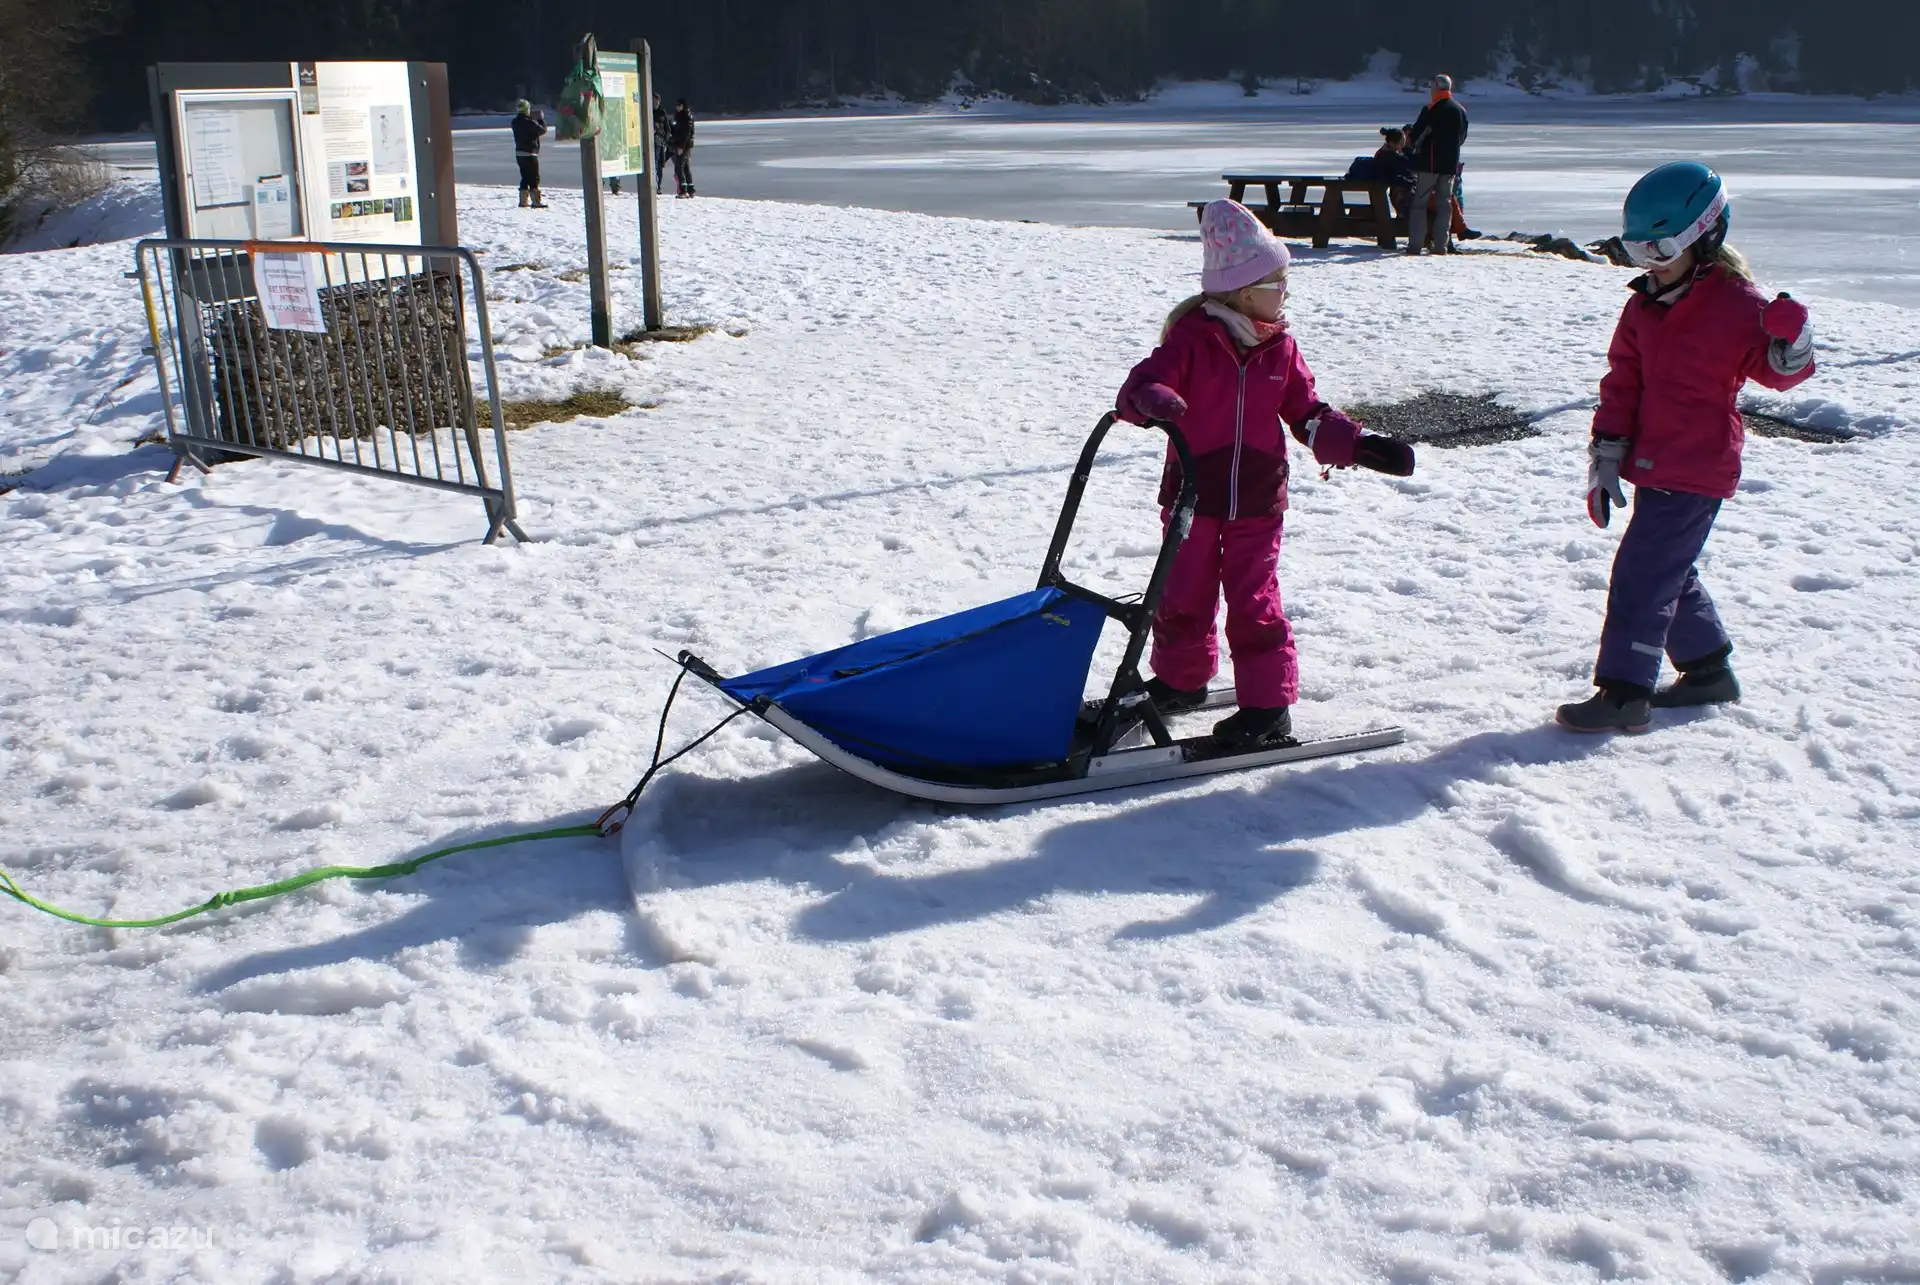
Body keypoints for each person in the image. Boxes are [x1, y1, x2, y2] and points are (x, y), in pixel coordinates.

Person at [1112, 200, 1416, 748]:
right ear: (1242, 289)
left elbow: (1306, 412)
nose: (1284, 297)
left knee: (1254, 600)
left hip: (1256, 500)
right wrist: (1150, 397)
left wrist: (1360, 445)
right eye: (1277, 286)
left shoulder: (1282, 346)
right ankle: (1183, 680)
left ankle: (1268, 708)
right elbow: (1139, 387)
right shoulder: (1191, 339)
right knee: (1183, 592)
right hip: (1192, 497)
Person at [1557, 162, 1816, 733]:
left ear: (1706, 235)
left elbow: (1777, 373)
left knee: (1643, 573)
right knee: (1668, 567)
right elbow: (1622, 384)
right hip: (1652, 460)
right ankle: (1707, 672)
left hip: (1699, 462)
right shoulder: (1642, 307)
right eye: (1637, 251)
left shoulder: (1737, 305)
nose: (1651, 264)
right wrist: (1604, 460)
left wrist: (1794, 339)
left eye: (1663, 248)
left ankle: (1625, 692)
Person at [1405, 75, 1467, 254]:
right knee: (1444, 205)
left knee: (1419, 205)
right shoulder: (1460, 110)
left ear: (1436, 88)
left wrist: (1414, 147)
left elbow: (1417, 134)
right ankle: (1441, 246)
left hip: (1430, 163)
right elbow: (1462, 137)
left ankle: (1415, 245)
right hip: (1450, 165)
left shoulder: (1431, 109)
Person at [511, 100, 548, 209]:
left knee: (525, 177)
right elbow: (542, 130)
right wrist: (540, 119)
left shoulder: (515, 122)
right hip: (530, 153)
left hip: (519, 153)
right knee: (534, 177)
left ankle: (523, 201)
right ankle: (536, 201)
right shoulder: (529, 122)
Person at [669, 99, 696, 198]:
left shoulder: (687, 117)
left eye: (679, 105)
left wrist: (682, 147)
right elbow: (678, 131)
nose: (677, 107)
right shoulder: (678, 116)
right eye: (676, 105)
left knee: (679, 166)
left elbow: (687, 134)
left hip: (685, 145)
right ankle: (690, 189)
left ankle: (683, 190)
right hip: (679, 144)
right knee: (685, 167)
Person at [652, 93, 672, 195]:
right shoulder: (648, 111)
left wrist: (667, 138)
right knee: (654, 163)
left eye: (656, 101)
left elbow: (667, 127)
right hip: (652, 141)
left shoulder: (662, 111)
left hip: (661, 140)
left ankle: (658, 185)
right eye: (653, 101)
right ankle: (654, 185)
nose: (655, 102)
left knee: (660, 164)